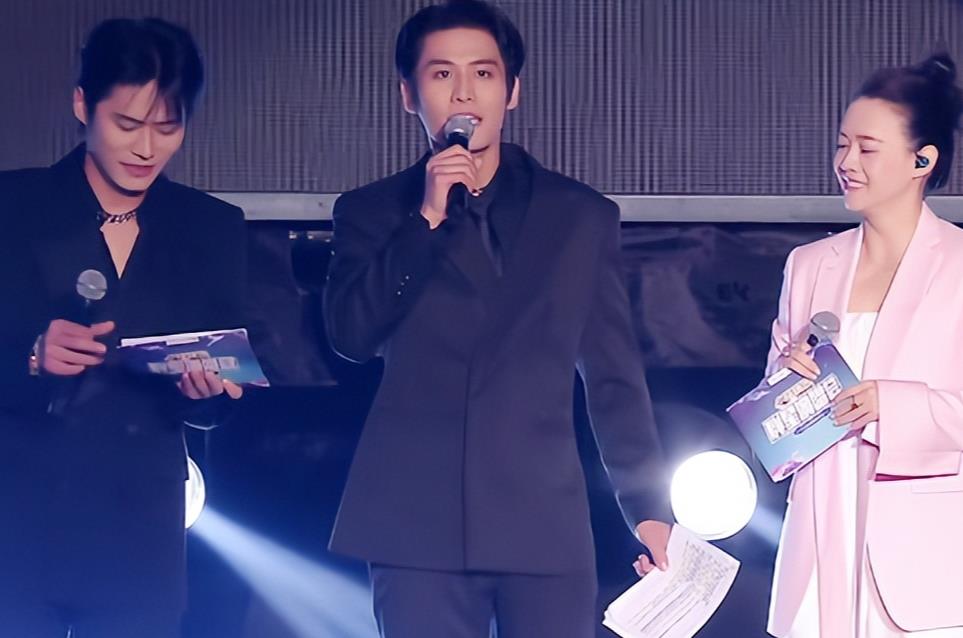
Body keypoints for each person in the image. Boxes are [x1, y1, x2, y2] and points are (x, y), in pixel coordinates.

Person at [323, 1, 671, 636]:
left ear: (512, 91)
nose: (464, 93)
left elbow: (613, 375)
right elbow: (350, 335)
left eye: (483, 74)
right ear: (408, 94)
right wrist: (425, 220)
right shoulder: (372, 211)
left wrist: (648, 508)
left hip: (542, 517)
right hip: (415, 520)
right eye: (441, 74)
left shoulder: (580, 217)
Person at [0, 18, 248, 637]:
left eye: (168, 128)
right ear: (82, 105)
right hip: (19, 516)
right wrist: (29, 356)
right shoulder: (13, 208)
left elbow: (225, 385)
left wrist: (207, 392)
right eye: (128, 124)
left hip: (140, 526)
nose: (146, 149)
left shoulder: (210, 226)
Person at [767, 53, 963, 637]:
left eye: (867, 149)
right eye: (842, 145)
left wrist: (891, 404)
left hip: (921, 560)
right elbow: (773, 428)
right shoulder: (808, 265)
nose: (846, 163)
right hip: (817, 536)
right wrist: (784, 384)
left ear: (922, 160)